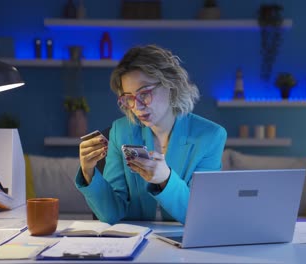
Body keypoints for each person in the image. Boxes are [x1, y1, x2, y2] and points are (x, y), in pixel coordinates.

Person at [75, 44, 227, 224]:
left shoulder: (210, 136)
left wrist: (165, 179)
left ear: (171, 85)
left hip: (184, 244)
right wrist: (88, 172)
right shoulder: (121, 131)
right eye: (128, 97)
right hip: (136, 244)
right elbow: (112, 214)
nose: (136, 106)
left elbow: (200, 216)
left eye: (144, 93)